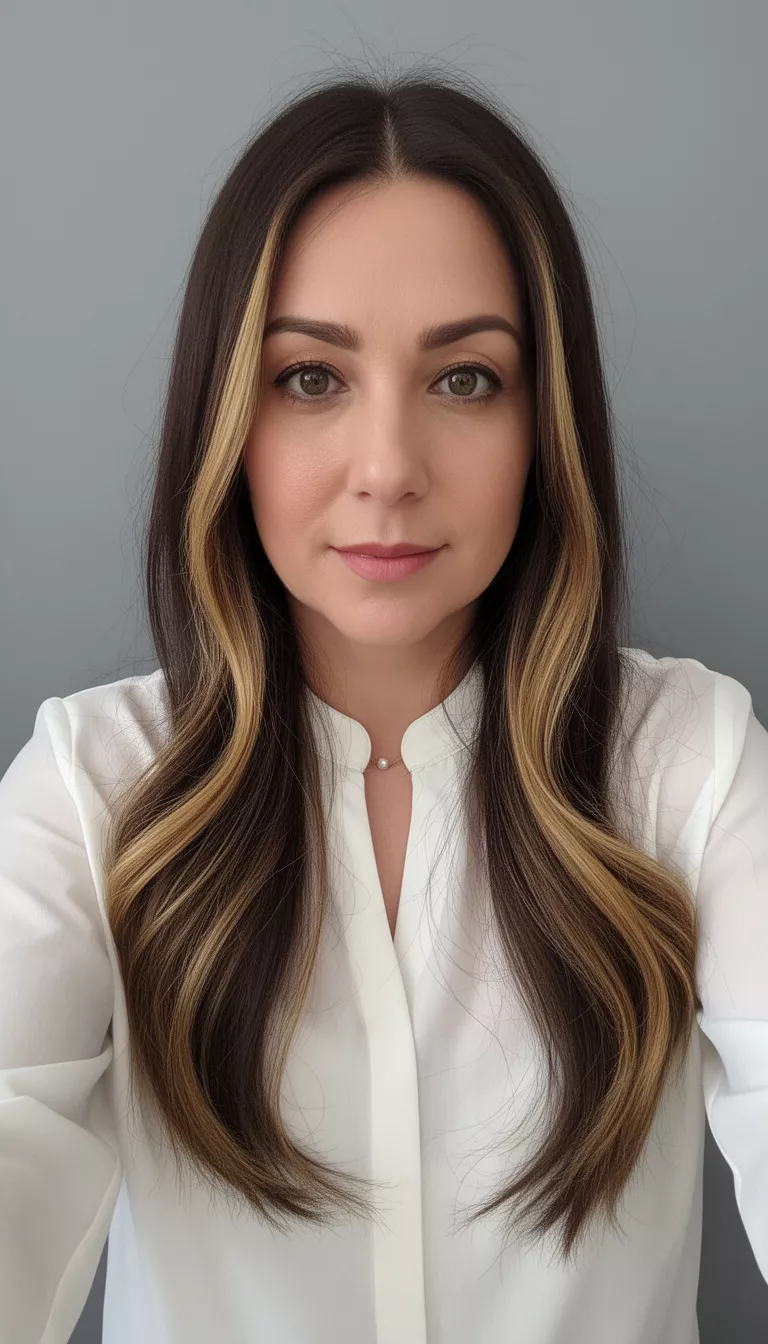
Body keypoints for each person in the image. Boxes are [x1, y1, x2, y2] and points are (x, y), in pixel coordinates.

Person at [1, 65, 766, 1344]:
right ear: (227, 419)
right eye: (311, 378)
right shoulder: (92, 789)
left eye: (465, 379)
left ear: (545, 423)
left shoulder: (687, 766)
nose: (389, 471)